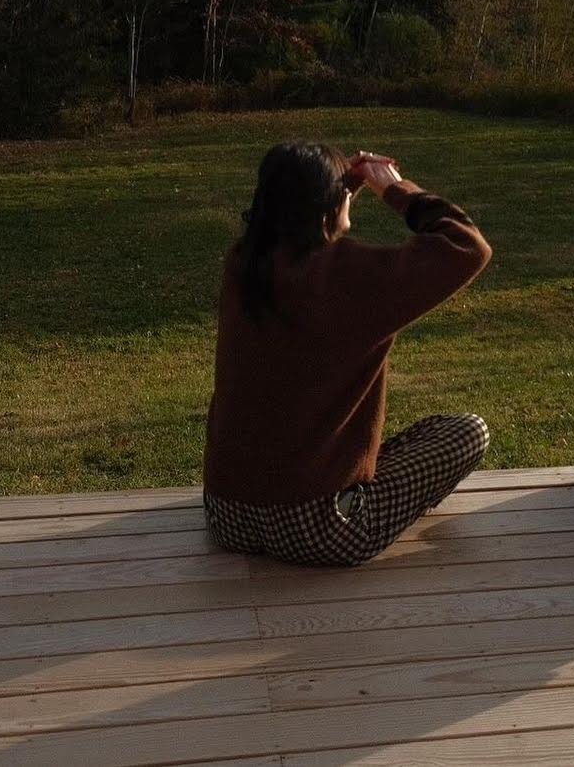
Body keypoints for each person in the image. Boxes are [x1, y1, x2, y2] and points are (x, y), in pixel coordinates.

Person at [203, 142, 492, 567]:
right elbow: (467, 246)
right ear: (325, 207)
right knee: (468, 432)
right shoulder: (351, 278)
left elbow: (302, 241)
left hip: (227, 514)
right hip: (321, 527)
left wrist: (339, 197)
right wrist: (393, 189)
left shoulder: (243, 266)